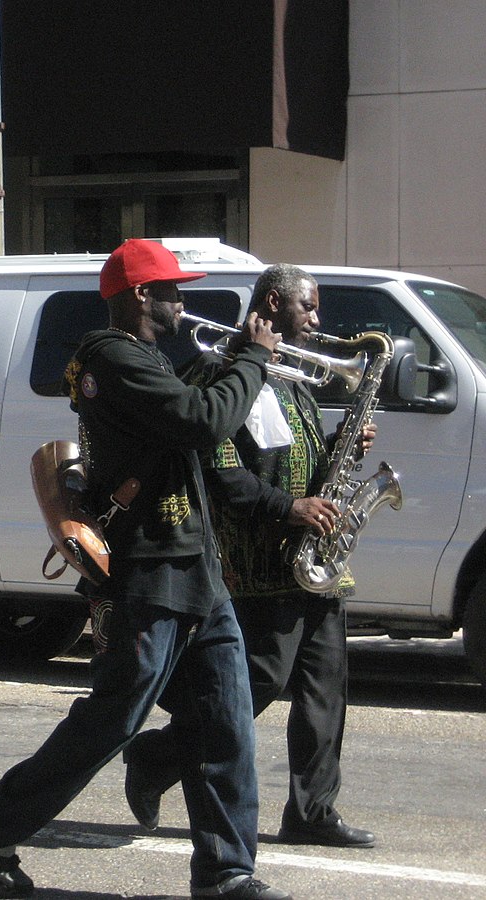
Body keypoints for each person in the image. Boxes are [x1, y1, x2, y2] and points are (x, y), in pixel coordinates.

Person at [0, 238, 291, 900]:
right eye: (172, 291)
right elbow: (204, 419)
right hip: (149, 571)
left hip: (195, 567)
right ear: (142, 296)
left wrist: (230, 368)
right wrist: (252, 359)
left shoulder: (147, 360)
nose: (182, 301)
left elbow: (195, 426)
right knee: (113, 719)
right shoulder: (113, 359)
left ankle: (227, 873)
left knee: (226, 723)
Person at [121, 264, 377, 849]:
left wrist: (340, 447)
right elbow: (219, 472)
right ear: (271, 304)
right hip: (260, 565)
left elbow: (303, 465)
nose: (316, 320)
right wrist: (288, 509)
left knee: (324, 691)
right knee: (257, 685)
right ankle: (156, 757)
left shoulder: (293, 378)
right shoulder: (220, 371)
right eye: (307, 307)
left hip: (316, 561)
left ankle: (311, 812)